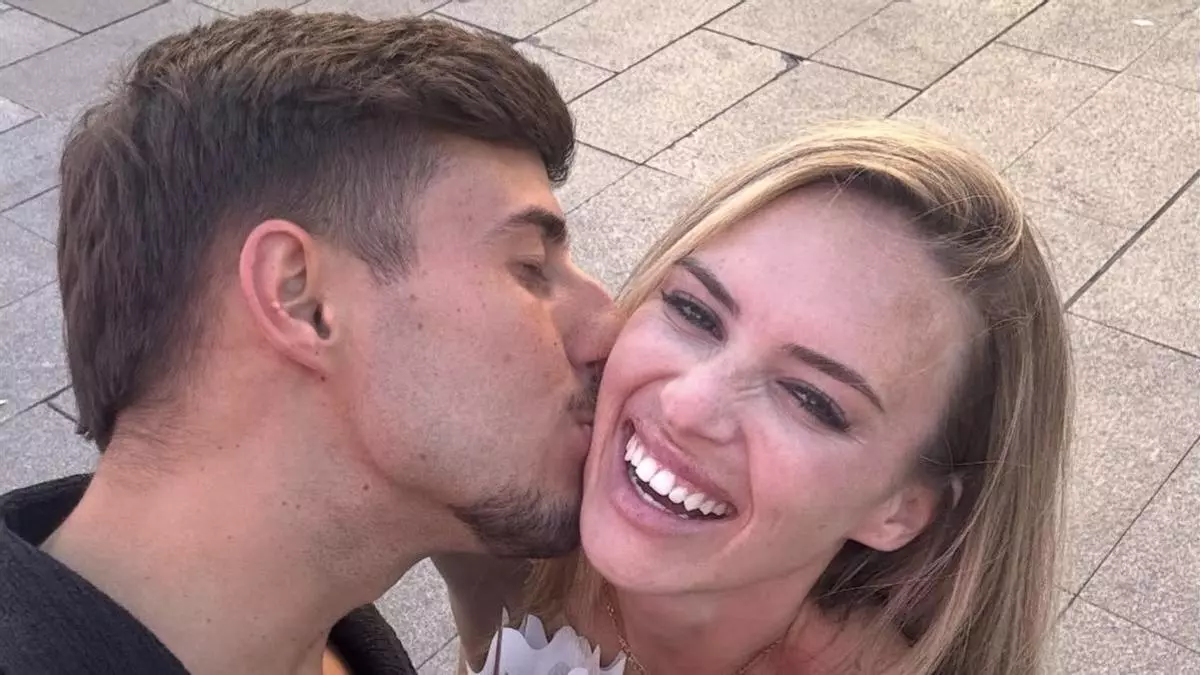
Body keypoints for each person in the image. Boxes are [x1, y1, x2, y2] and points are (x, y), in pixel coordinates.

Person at [0, 10, 619, 675]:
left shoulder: (326, 639)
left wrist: (506, 615)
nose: (607, 329)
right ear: (300, 297)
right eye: (529, 266)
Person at [446, 120, 1073, 675]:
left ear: (901, 510)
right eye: (694, 311)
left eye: (811, 398)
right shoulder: (503, 531)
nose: (688, 406)